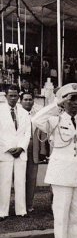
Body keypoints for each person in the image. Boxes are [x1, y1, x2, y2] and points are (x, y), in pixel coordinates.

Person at [32, 83, 77, 238]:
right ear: (64, 102)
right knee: (60, 214)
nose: (76, 103)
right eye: (71, 100)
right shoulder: (54, 121)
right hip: (61, 175)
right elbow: (36, 120)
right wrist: (56, 103)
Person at [0, 85, 31, 221]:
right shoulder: (0, 111)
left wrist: (21, 147)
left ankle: (21, 210)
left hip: (20, 152)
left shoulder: (24, 113)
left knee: (20, 182)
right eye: (10, 95)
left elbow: (27, 133)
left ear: (19, 96)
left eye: (15, 95)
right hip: (5, 152)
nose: (13, 98)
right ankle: (2, 211)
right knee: (4, 182)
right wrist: (8, 147)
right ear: (5, 96)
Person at [20, 92, 47, 213]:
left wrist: (42, 150)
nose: (28, 102)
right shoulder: (17, 114)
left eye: (30, 99)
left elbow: (42, 132)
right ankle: (19, 205)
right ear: (21, 101)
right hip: (20, 150)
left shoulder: (38, 115)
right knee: (19, 178)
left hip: (33, 149)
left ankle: (29, 204)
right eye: (25, 99)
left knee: (31, 178)